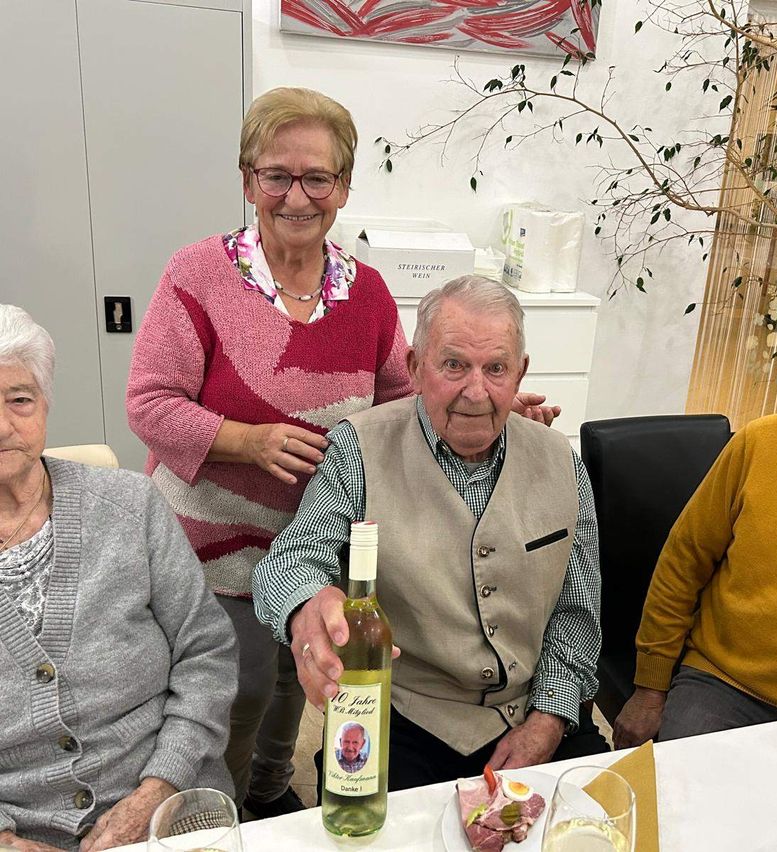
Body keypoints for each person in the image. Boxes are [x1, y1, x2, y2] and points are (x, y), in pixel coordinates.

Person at [126, 87, 556, 816]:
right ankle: (207, 816)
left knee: (302, 687)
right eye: (277, 175)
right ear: (247, 181)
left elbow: (406, 394)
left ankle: (267, 798)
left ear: (344, 188)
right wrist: (247, 442)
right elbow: (148, 403)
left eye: (317, 178)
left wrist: (486, 397)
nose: (297, 196)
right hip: (214, 555)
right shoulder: (197, 275)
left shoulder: (369, 295)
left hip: (321, 546)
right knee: (232, 697)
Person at [253, 275, 607, 792]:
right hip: (407, 718)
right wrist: (307, 608)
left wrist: (548, 722)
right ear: (415, 367)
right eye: (454, 365)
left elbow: (577, 613)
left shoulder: (563, 465)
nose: (476, 390)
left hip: (529, 709)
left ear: (520, 373)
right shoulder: (360, 449)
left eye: (496, 369)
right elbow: (291, 560)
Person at [0, 305, 237, 852]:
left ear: (45, 406)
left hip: (167, 803)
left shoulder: (130, 506)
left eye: (20, 399)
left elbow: (206, 652)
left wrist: (160, 788)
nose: (5, 424)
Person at [613, 338, 777, 749]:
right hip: (721, 684)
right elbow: (682, 563)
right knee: (687, 803)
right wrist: (650, 689)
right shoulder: (762, 444)